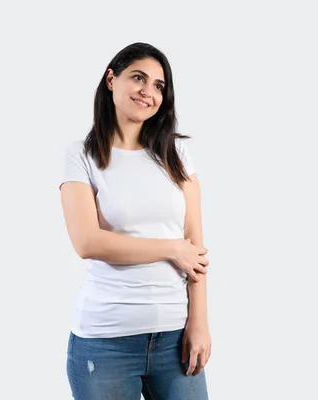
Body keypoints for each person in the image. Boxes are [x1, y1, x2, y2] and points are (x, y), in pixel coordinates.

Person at [59, 42, 211, 399]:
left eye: (159, 85)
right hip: (105, 343)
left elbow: (196, 249)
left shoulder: (176, 154)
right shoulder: (81, 155)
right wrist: (172, 249)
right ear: (111, 80)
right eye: (138, 78)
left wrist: (199, 323)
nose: (148, 91)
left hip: (175, 340)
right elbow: (87, 242)